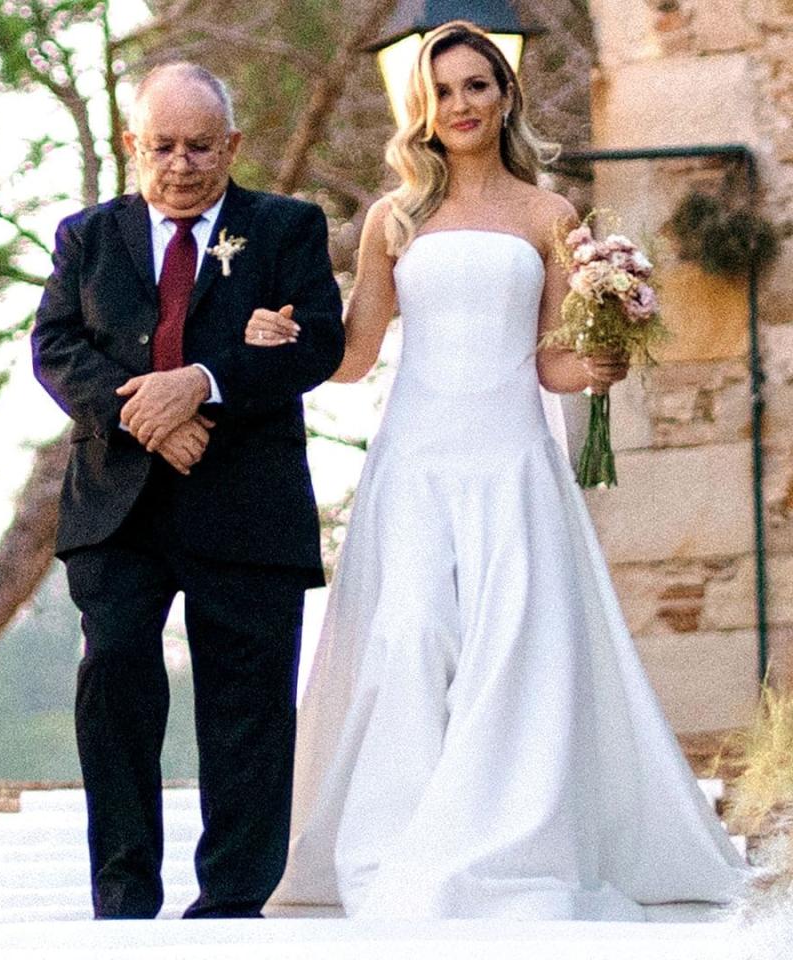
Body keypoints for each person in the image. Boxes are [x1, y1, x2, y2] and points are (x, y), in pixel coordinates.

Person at [246, 22, 745, 920]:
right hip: (416, 465)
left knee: (511, 652)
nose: (462, 104)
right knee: (407, 639)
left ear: (506, 95)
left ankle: (498, 844)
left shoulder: (550, 217)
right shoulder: (391, 220)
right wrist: (284, 338)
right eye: (443, 92)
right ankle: (395, 848)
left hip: (513, 460)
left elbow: (550, 360)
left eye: (478, 86)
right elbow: (357, 357)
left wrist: (598, 363)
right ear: (421, 112)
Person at [31, 62, 344, 920]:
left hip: (246, 505)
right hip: (118, 507)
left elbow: (317, 344)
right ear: (134, 146)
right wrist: (149, 415)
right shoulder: (87, 236)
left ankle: (232, 904)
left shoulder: (286, 229)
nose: (181, 164)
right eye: (162, 146)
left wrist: (202, 382)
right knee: (118, 677)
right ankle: (124, 897)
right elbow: (55, 348)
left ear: (232, 145)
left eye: (200, 146)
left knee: (247, 701)